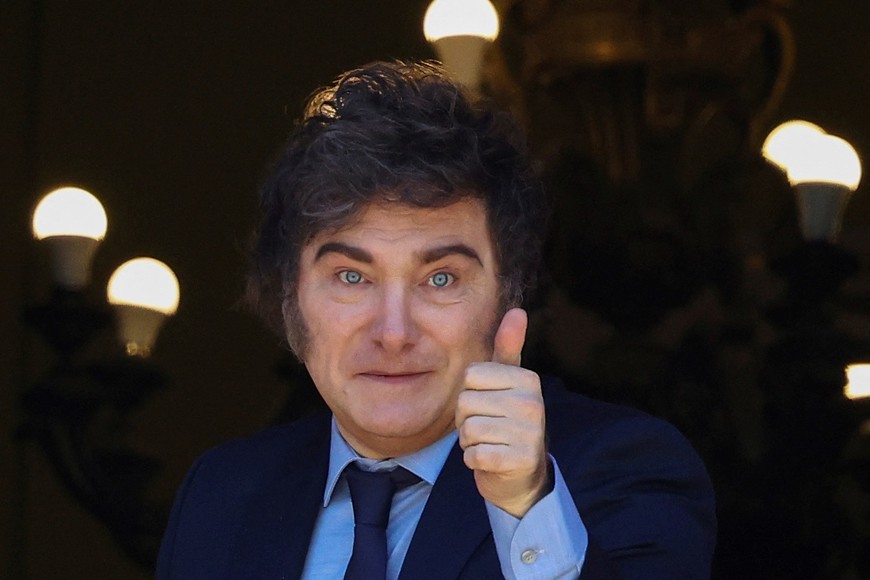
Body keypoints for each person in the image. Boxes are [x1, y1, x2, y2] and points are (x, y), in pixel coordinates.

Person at [156, 60, 716, 579]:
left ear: (507, 298)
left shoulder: (625, 468)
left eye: (441, 279)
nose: (394, 333)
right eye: (352, 277)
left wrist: (527, 505)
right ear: (288, 299)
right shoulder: (222, 492)